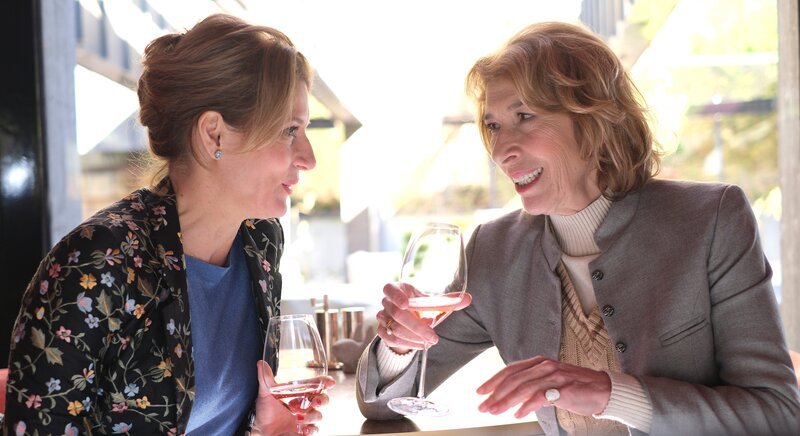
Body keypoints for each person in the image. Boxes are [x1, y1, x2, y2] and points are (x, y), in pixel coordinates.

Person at [356, 21, 800, 435]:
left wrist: (609, 393)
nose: (502, 150)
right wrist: (400, 346)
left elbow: (778, 412)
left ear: (593, 118)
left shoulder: (710, 221)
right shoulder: (494, 250)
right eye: (493, 126)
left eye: (524, 117)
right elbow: (382, 405)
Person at [3, 13, 334, 435]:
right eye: (289, 130)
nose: (308, 157)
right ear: (214, 134)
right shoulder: (98, 263)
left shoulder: (259, 242)